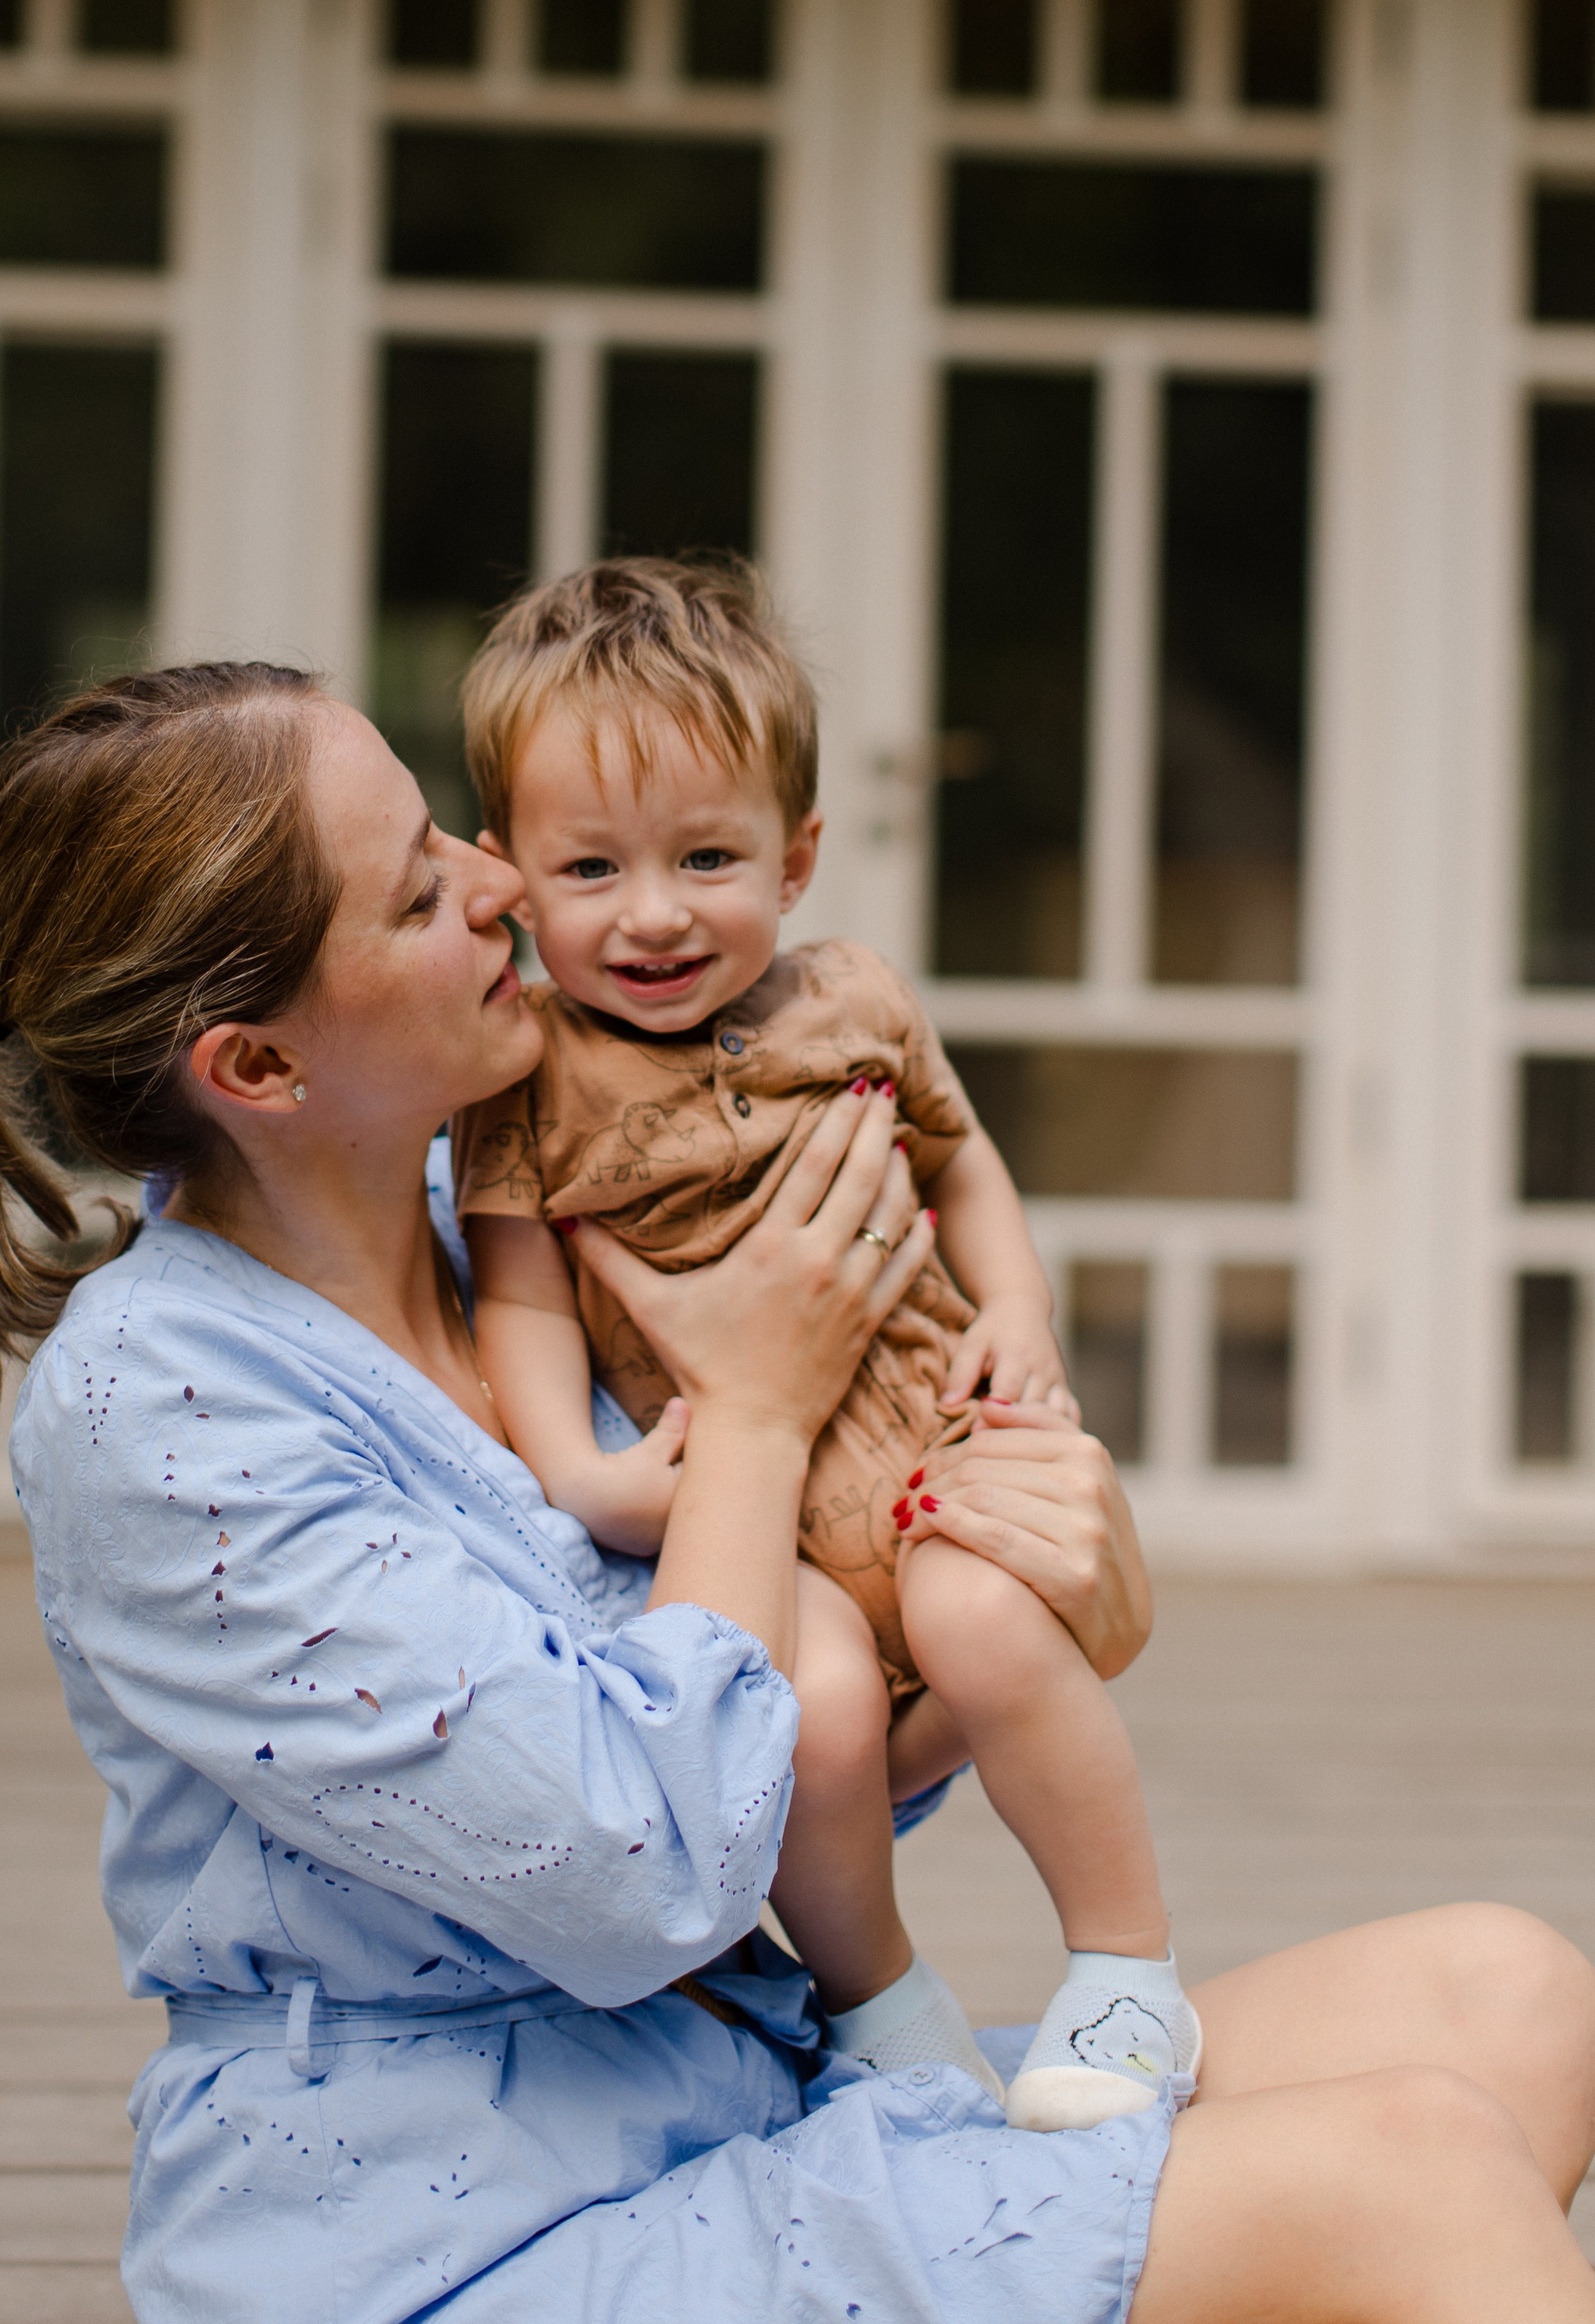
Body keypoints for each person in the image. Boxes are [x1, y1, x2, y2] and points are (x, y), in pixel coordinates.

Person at [0, 662, 1595, 2324]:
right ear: (258, 1070)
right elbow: (636, 1867)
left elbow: (783, 1744)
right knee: (1410, 2177)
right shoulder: (171, 1409)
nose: (500, 882)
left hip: (741, 2084)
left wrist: (1008, 1590)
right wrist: (751, 1413)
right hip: (463, 2233)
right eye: (421, 893)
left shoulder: (518, 1248)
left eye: (449, 830)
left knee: (1505, 1995)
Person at [452, 556, 1191, 2127]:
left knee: (991, 1628)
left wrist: (1018, 1312)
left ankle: (1125, 1974)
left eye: (705, 856)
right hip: (742, 1501)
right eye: (589, 870)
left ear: (794, 859)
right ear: (510, 873)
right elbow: (515, 1282)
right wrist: (582, 1473)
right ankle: (880, 2005)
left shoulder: (853, 998)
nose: (652, 915)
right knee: (812, 1708)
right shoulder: (517, 1081)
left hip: (926, 1446)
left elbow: (961, 1160)